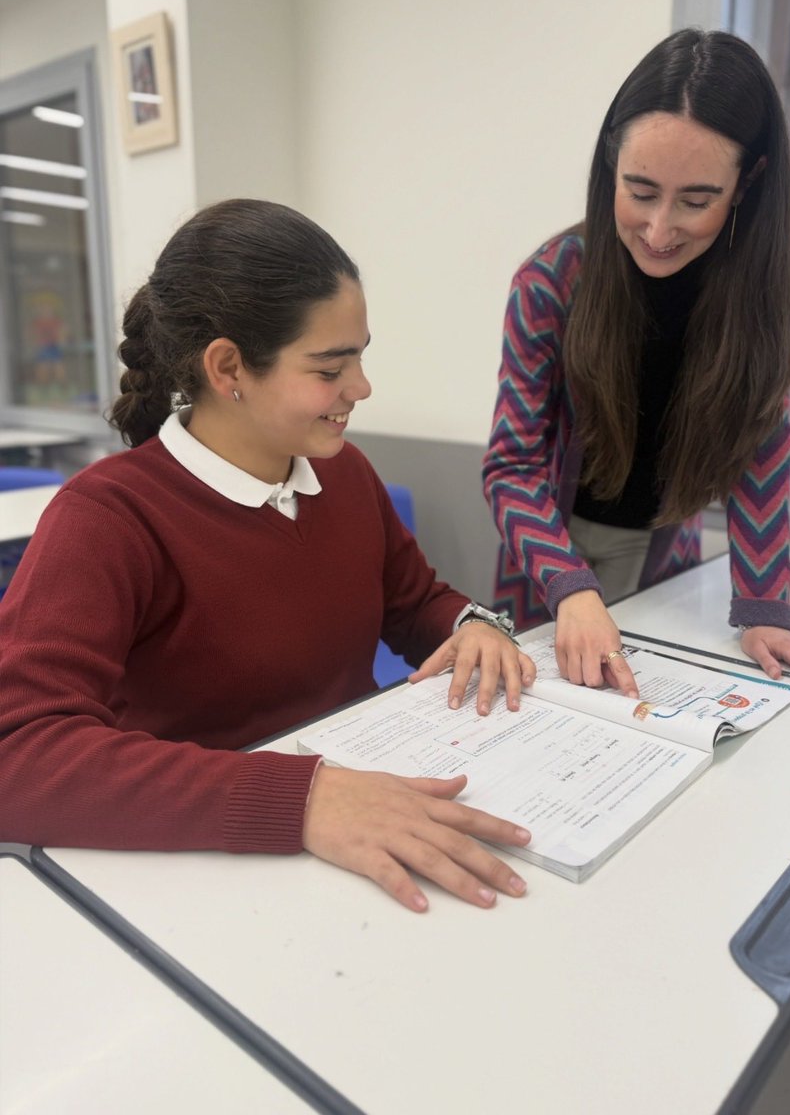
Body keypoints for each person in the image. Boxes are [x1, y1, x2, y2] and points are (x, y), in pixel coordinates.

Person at [0, 198, 538, 914]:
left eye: (361, 356)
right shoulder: (109, 517)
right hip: (211, 868)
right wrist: (301, 799)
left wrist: (471, 625)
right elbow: (20, 758)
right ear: (228, 367)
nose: (361, 387)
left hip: (361, 815)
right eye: (329, 367)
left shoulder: (344, 474)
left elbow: (410, 603)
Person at [483, 28, 790, 700]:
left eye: (694, 202)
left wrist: (760, 610)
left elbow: (760, 449)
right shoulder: (550, 282)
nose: (659, 231)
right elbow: (511, 468)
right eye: (638, 191)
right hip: (551, 556)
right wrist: (571, 588)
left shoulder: (751, 296)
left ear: (746, 183)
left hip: (669, 556)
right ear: (610, 165)